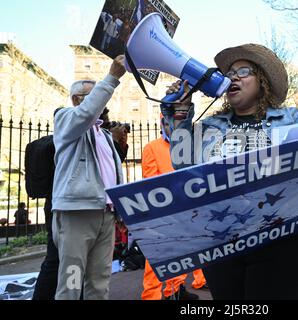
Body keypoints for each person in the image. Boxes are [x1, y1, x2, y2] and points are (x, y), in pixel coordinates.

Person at [162, 43, 298, 300]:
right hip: (224, 249)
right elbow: (182, 165)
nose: (233, 77)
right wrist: (181, 113)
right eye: (229, 73)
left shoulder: (290, 118)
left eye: (243, 71)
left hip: (285, 245)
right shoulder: (211, 126)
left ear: (262, 81)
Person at [51, 55, 126, 300]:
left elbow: (112, 174)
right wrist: (112, 78)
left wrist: (120, 208)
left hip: (105, 215)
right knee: (71, 281)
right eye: (92, 96)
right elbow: (85, 114)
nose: (101, 103)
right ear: (76, 100)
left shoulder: (104, 136)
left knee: (100, 280)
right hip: (77, 215)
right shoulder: (65, 119)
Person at [141, 114, 205, 300]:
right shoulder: (151, 147)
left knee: (183, 252)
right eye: (172, 122)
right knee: (157, 256)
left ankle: (175, 290)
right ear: (163, 122)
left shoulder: (190, 147)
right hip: (163, 211)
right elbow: (150, 182)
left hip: (187, 208)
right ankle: (151, 296)